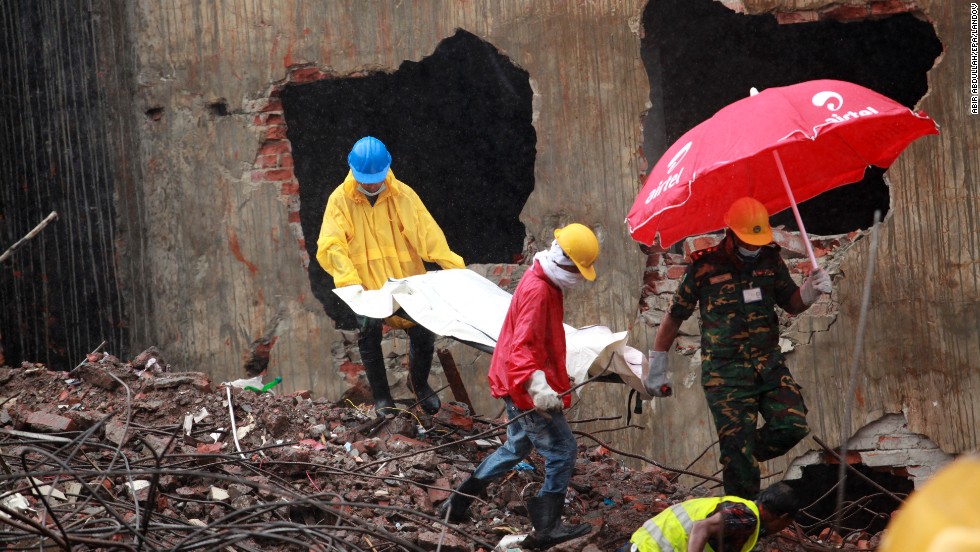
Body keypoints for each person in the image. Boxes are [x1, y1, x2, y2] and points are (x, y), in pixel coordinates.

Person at [645, 197, 831, 499]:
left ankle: (740, 454)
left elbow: (792, 304)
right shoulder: (704, 266)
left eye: (758, 242)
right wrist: (657, 363)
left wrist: (810, 290)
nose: (754, 248)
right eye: (749, 241)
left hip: (768, 367)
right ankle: (740, 523)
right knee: (741, 469)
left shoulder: (770, 261)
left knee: (792, 426)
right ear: (730, 232)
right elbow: (675, 315)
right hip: (725, 375)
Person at [438, 223, 599, 549]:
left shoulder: (543, 277)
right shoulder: (539, 291)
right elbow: (522, 348)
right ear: (565, 261)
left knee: (516, 448)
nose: (580, 276)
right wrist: (538, 387)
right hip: (524, 386)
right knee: (563, 451)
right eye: (579, 269)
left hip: (517, 380)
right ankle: (546, 529)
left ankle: (456, 503)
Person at [316, 136, 465, 416]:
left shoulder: (402, 196)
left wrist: (454, 268)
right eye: (366, 179)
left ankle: (418, 385)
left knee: (422, 331)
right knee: (369, 332)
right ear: (353, 171)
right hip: (367, 286)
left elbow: (428, 235)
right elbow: (330, 245)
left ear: (387, 170)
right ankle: (383, 397)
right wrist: (350, 283)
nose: (372, 184)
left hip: (405, 281)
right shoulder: (340, 201)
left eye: (376, 178)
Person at [619, 481, 801, 552]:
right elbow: (701, 527)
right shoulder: (746, 518)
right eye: (786, 524)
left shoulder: (740, 509)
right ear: (783, 517)